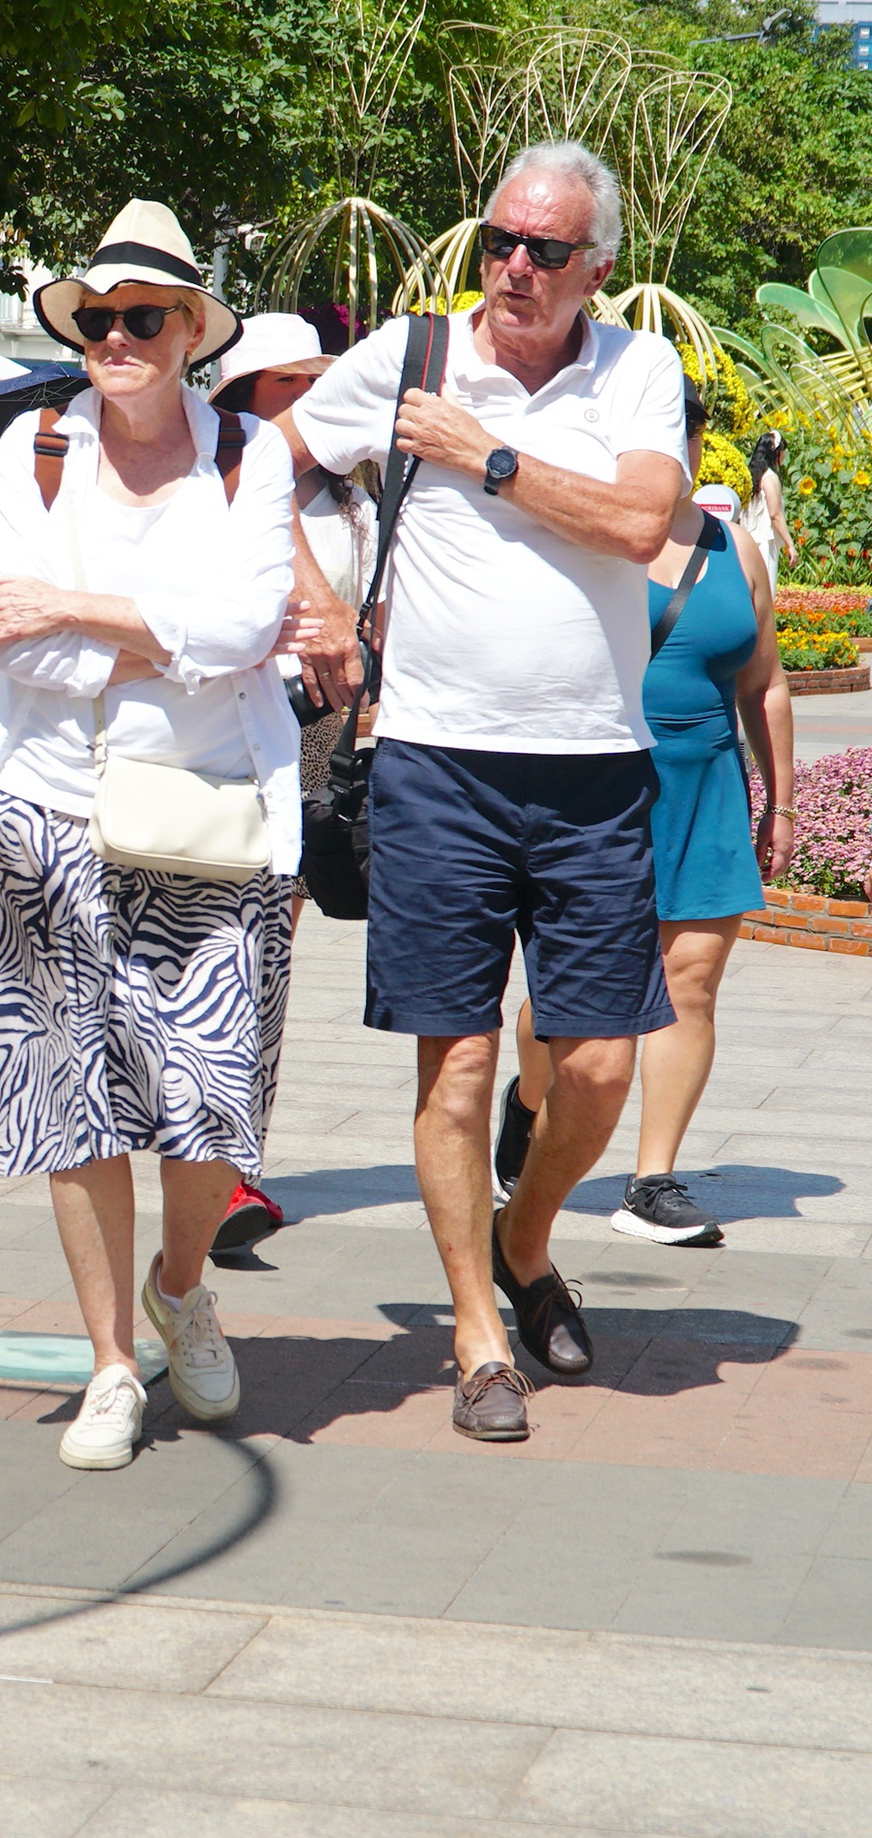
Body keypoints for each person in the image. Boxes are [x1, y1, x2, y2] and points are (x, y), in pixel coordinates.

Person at [277, 140, 689, 1441]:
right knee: (456, 1068)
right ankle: (474, 1335)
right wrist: (313, 597)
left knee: (602, 1071)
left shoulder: (639, 371)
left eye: (545, 251)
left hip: (593, 775)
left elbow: (640, 526)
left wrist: (485, 452)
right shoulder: (405, 359)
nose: (514, 267)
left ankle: (526, 1235)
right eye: (499, 239)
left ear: (596, 270)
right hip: (436, 771)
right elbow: (265, 458)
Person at [0, 198, 300, 1472]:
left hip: (211, 819)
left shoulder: (246, 457)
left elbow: (248, 628)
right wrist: (157, 627)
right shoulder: (30, 451)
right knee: (73, 1097)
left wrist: (86, 607)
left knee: (209, 1104)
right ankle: (111, 1360)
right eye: (96, 319)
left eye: (142, 318)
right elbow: (19, 638)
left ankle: (181, 1284)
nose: (116, 338)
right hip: (41, 808)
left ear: (188, 332)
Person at [502, 383, 795, 1248]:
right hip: (596, 787)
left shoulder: (731, 545)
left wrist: (780, 799)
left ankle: (651, 1182)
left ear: (697, 446)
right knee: (563, 1005)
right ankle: (528, 1106)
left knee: (691, 984)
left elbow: (766, 680)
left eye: (688, 434)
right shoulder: (573, 537)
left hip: (705, 784)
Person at [205, 311, 370, 1254]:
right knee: (218, 948)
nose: (308, 404)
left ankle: (237, 1169)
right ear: (241, 398)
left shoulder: (353, 504)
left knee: (269, 948)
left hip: (316, 743)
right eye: (286, 386)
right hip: (223, 734)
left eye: (318, 386)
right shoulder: (214, 488)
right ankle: (205, 1148)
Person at [744, 430, 794, 589]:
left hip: (747, 539)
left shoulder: (751, 475)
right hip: (765, 542)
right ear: (777, 453)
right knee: (765, 589)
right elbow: (776, 515)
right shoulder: (770, 478)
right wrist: (790, 545)